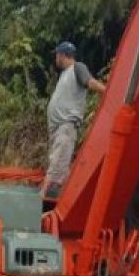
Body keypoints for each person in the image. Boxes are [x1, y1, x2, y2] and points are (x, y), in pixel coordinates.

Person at [41, 41, 107, 201]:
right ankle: (59, 195)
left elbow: (90, 82)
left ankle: (44, 196)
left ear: (62, 55)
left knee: (58, 162)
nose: (56, 58)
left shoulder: (78, 68)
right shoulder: (65, 74)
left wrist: (108, 91)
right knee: (58, 160)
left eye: (57, 55)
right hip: (57, 128)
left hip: (66, 125)